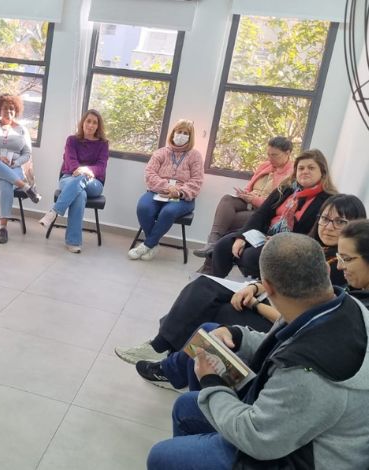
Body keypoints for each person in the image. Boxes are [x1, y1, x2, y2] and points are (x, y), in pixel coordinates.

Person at [146, 232, 369, 469]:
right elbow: (282, 343)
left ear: (268, 288)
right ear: (325, 269)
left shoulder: (308, 372)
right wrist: (238, 336)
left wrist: (212, 382)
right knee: (186, 406)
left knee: (161, 456)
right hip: (297, 429)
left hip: (301, 457)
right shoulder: (340, 303)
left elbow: (257, 439)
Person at [123, 194, 367, 390]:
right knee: (203, 287)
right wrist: (254, 286)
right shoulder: (317, 249)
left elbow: (301, 320)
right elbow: (285, 282)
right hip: (271, 301)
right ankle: (164, 348)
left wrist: (256, 303)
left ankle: (173, 366)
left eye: (339, 222)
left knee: (219, 311)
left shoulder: (341, 272)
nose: (328, 226)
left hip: (277, 318)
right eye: (324, 219)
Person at [210, 149, 336, 278]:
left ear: (322, 171)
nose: (305, 171)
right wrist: (242, 237)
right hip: (264, 235)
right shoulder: (286, 189)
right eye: (301, 168)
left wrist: (280, 240)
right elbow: (261, 214)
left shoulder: (328, 200)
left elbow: (314, 235)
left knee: (250, 256)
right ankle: (213, 284)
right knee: (223, 246)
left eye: (311, 168)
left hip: (291, 245)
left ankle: (257, 289)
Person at [193, 137, 294, 266]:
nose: (270, 158)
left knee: (226, 222)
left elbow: (277, 206)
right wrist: (244, 194)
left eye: (274, 155)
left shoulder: (291, 174)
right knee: (227, 199)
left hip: (264, 213)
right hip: (250, 202)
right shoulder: (265, 166)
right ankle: (212, 244)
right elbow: (251, 185)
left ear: (288, 153)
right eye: (268, 154)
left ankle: (209, 263)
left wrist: (255, 200)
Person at [128, 119, 203, 261]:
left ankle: (146, 245)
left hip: (182, 197)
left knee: (168, 212)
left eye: (185, 133)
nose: (181, 135)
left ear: (190, 136)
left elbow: (197, 181)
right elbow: (150, 173)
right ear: (173, 133)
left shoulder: (195, 156)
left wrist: (179, 191)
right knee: (143, 208)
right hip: (158, 191)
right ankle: (154, 245)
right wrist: (167, 187)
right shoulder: (161, 152)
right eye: (179, 131)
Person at [38, 109, 109, 253]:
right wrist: (80, 171)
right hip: (69, 178)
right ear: (83, 123)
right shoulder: (72, 140)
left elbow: (101, 167)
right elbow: (70, 162)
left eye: (94, 122)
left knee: (82, 179)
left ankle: (54, 211)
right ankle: (73, 242)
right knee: (80, 194)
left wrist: (85, 171)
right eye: (88, 121)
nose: (90, 125)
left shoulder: (103, 144)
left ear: (98, 126)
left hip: (94, 184)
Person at [0, 93, 42, 244]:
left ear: (16, 111)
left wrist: (15, 162)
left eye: (12, 109)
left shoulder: (22, 130)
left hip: (14, 168)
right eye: (5, 108)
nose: (9, 111)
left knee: (5, 182)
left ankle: (3, 228)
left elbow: (27, 154)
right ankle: (25, 187)